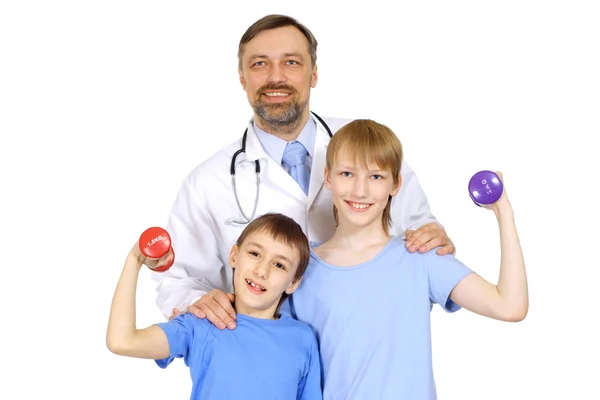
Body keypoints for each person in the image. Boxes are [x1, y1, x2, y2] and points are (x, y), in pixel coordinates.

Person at [151, 14, 456, 327]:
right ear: (242, 77)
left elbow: (419, 233)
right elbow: (177, 282)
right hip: (272, 360)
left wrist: (431, 237)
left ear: (314, 74)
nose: (276, 77)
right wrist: (197, 301)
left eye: (292, 62)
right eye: (259, 64)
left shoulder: (370, 148)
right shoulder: (207, 182)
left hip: (369, 346)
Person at [282, 119, 528, 399]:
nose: (360, 191)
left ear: (396, 184)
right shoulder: (301, 270)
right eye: (347, 174)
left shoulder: (420, 256)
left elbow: (510, 306)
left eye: (376, 176)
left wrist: (503, 213)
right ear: (328, 177)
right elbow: (282, 366)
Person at [106, 213, 323, 400]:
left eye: (279, 265)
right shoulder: (200, 323)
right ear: (234, 256)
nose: (261, 271)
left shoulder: (302, 339)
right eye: (255, 254)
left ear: (293, 282)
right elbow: (122, 342)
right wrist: (134, 259)